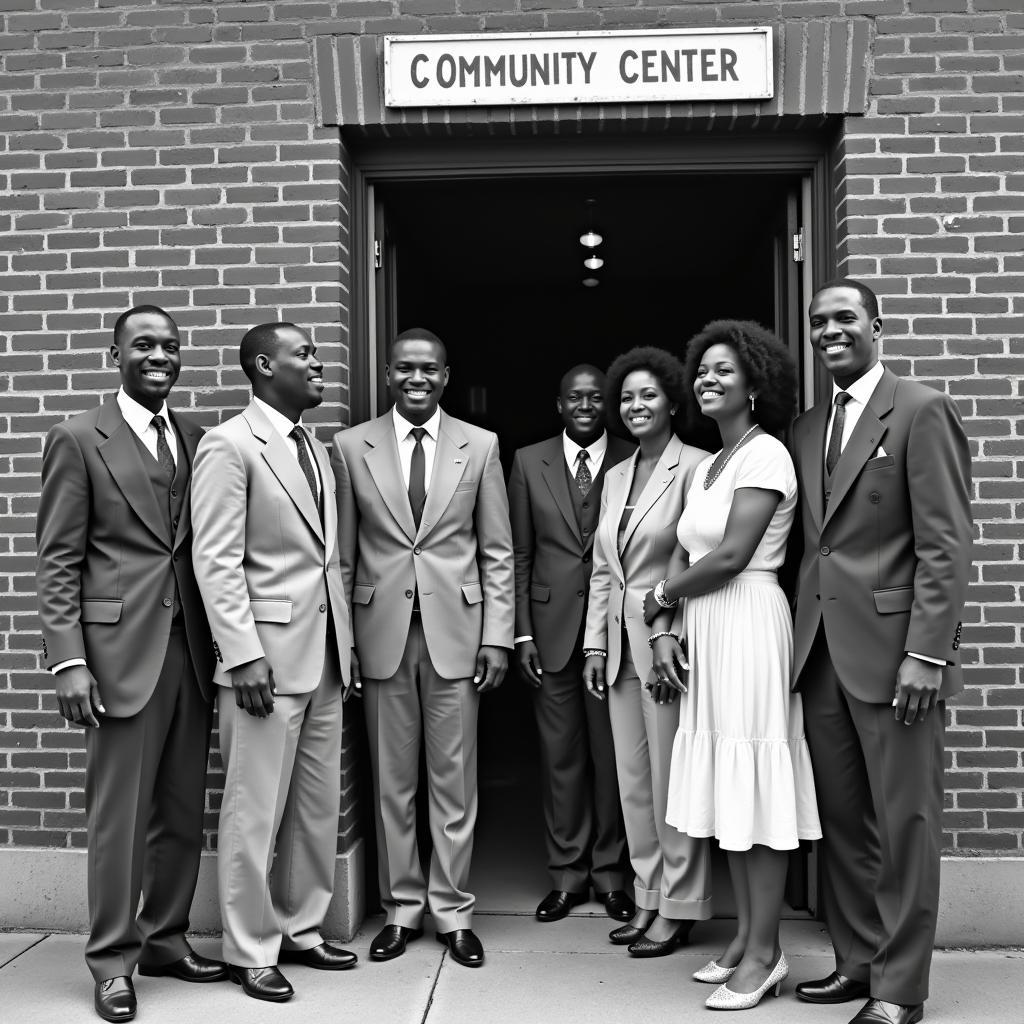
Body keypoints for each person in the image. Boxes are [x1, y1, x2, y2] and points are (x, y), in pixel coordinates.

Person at [35, 305, 227, 1023]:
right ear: (114, 353)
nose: (160, 356)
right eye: (144, 344)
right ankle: (112, 961)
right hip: (115, 656)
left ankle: (166, 939)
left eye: (171, 346)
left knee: (181, 809)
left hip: (190, 654)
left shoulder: (195, 437)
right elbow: (57, 560)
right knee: (119, 818)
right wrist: (67, 661)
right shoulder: (80, 437)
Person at [789, 280, 972, 1024]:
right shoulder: (806, 427)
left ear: (876, 326)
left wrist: (927, 653)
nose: (830, 331)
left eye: (844, 319)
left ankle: (900, 991)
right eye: (818, 322)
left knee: (905, 825)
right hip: (822, 654)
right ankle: (858, 961)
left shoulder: (921, 409)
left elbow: (946, 543)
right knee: (844, 824)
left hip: (899, 658)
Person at [643, 321, 821, 1011]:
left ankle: (768, 952)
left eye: (723, 370)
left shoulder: (765, 455)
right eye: (701, 371)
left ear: (755, 381)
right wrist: (665, 627)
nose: (707, 380)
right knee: (728, 785)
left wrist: (658, 598)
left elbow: (728, 557)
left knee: (753, 783)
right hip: (704, 625)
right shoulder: (712, 463)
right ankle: (746, 939)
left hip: (747, 620)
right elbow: (683, 552)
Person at [332, 328, 514, 969]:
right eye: (405, 368)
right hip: (382, 635)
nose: (417, 378)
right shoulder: (350, 446)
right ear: (388, 374)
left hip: (458, 638)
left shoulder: (481, 445)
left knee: (453, 781)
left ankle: (454, 910)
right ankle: (402, 908)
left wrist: (497, 636)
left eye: (428, 369)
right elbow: (344, 556)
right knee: (392, 784)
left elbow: (497, 550)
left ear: (445, 376)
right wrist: (345, 643)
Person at [190, 322, 358, 1004]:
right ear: (264, 366)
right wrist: (243, 654)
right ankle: (250, 947)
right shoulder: (230, 445)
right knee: (253, 812)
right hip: (262, 664)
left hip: (322, 658)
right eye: (305, 355)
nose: (318, 364)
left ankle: (303, 926)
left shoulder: (315, 448)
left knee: (316, 808)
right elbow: (217, 559)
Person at [582, 346, 712, 958]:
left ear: (672, 401)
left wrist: (668, 630)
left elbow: (698, 559)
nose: (637, 406)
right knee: (633, 783)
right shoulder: (614, 475)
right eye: (627, 397)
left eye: (649, 395)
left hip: (667, 645)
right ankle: (647, 895)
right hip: (617, 649)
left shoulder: (699, 468)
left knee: (671, 783)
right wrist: (592, 643)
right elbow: (604, 571)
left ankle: (680, 904)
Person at [507, 364, 635, 925]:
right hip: (550, 633)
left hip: (615, 636)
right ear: (559, 404)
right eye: (574, 397)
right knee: (561, 761)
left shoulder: (635, 457)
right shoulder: (527, 460)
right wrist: (522, 631)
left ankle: (612, 874)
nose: (585, 404)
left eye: (595, 397)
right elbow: (517, 552)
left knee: (613, 762)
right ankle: (566, 875)